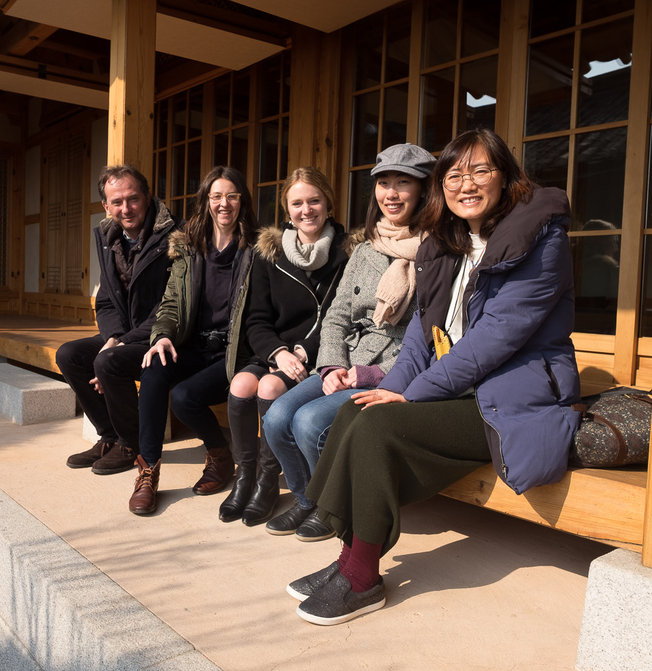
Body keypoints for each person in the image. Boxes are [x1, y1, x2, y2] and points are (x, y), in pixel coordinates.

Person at [289, 128, 581, 626]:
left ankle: (362, 578)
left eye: (480, 170)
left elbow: (496, 339)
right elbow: (425, 339)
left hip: (510, 395)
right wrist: (394, 387)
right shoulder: (446, 245)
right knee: (356, 413)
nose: (466, 184)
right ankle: (349, 559)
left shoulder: (540, 240)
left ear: (506, 177)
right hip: (457, 389)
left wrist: (412, 396)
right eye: (454, 174)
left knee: (379, 428)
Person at [262, 144, 436, 542]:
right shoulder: (366, 247)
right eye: (384, 183)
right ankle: (307, 500)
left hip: (394, 369)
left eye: (402, 183)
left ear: (423, 190)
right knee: (275, 417)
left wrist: (369, 374)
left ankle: (333, 507)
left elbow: (430, 336)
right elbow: (336, 315)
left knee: (308, 423)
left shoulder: (438, 252)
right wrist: (332, 365)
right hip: (347, 360)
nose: (391, 193)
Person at [219, 168, 351, 526]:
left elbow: (339, 318)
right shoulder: (270, 253)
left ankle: (268, 480)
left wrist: (303, 353)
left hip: (318, 353)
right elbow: (256, 319)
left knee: (270, 385)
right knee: (240, 385)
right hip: (276, 350)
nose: (306, 210)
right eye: (297, 203)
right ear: (286, 209)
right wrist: (277, 353)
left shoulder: (348, 252)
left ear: (328, 203)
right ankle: (246, 477)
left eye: (314, 201)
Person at [129, 166, 258, 515]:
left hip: (233, 354)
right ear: (205, 202)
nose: (224, 203)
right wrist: (162, 336)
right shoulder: (190, 248)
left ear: (242, 200)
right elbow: (171, 303)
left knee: (185, 399)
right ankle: (148, 471)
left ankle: (219, 454)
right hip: (195, 346)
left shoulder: (257, 250)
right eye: (216, 196)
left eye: (231, 195)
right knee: (155, 367)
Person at [56, 165, 182, 475]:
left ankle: (131, 443)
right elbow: (106, 300)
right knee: (69, 355)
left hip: (163, 337)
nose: (126, 209)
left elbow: (173, 302)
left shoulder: (175, 235)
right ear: (106, 206)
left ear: (147, 197)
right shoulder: (108, 237)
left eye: (133, 199)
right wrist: (112, 337)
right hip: (126, 334)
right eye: (117, 202)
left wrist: (121, 343)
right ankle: (110, 437)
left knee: (108, 361)